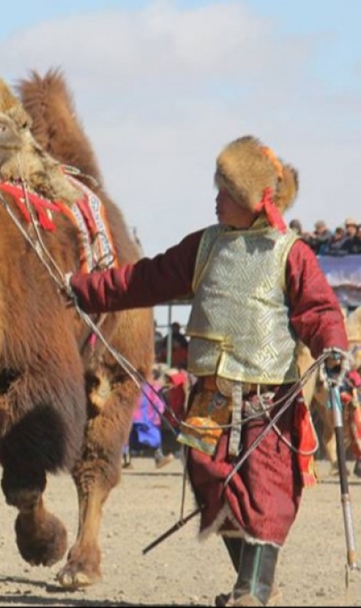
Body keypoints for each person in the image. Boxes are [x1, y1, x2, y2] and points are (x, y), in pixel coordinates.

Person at [65, 136, 348, 606]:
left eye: (224, 192)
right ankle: (257, 584)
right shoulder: (204, 245)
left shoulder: (289, 252)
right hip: (210, 396)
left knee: (266, 489)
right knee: (210, 480)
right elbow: (144, 278)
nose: (215, 198)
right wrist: (84, 291)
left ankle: (253, 591)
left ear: (250, 199)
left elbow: (319, 311)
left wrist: (334, 349)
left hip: (268, 398)